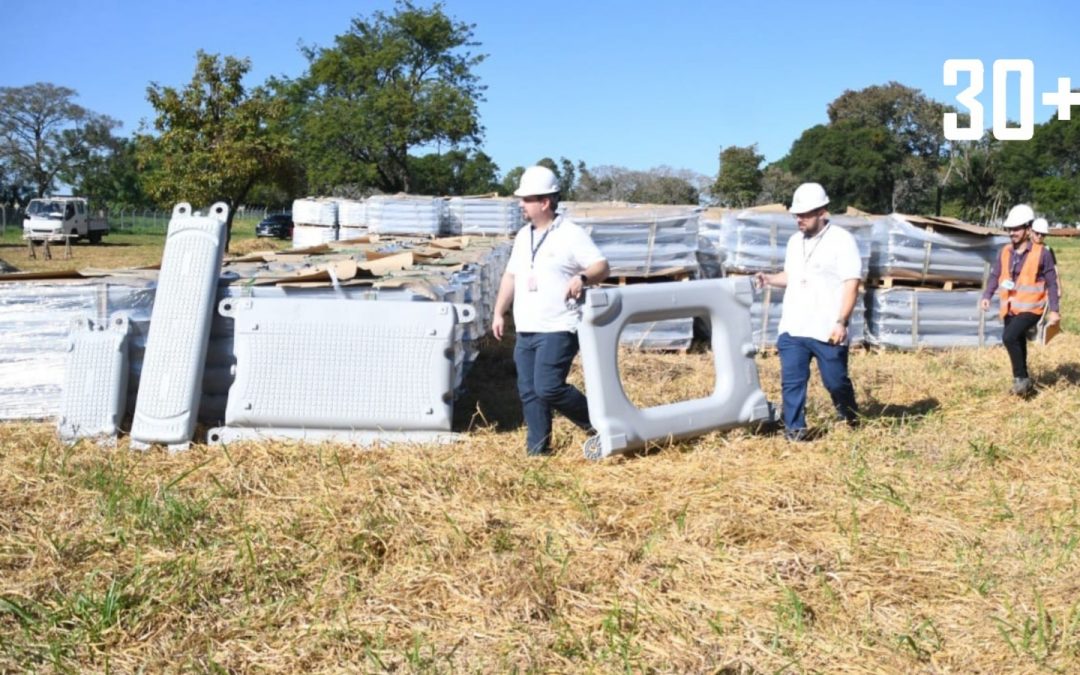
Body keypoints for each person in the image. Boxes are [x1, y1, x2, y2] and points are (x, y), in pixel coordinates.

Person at [492, 165, 610, 456]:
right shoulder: (523, 236)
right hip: (527, 327)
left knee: (548, 387)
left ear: (544, 202)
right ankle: (537, 451)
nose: (521, 204)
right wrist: (498, 312)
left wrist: (582, 277)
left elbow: (602, 266)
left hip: (558, 326)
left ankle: (603, 428)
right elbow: (511, 276)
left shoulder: (570, 234)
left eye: (526, 199)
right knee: (529, 392)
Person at [755, 183, 862, 441]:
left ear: (822, 212)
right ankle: (795, 432)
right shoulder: (794, 242)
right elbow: (791, 276)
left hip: (827, 328)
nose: (799, 219)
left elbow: (852, 283)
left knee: (835, 381)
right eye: (796, 215)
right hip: (793, 327)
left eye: (804, 214)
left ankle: (850, 417)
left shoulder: (841, 240)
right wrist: (769, 279)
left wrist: (842, 321)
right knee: (792, 382)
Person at [979, 204, 1061, 395]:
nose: (1012, 233)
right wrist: (987, 295)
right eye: (1010, 229)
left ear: (1028, 229)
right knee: (1018, 340)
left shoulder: (1043, 253)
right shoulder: (1005, 251)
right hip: (1010, 307)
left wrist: (1055, 311)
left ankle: (1021, 379)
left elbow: (1052, 283)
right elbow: (996, 275)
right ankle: (1024, 383)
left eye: (1016, 229)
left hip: (1032, 308)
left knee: (1009, 337)